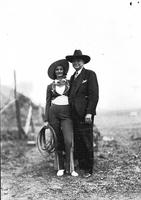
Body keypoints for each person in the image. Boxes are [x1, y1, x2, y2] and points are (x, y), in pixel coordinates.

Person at [66, 50, 99, 178]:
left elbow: (94, 95)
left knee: (86, 140)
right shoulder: (72, 77)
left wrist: (89, 112)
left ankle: (88, 169)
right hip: (73, 114)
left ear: (83, 62)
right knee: (78, 141)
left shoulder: (90, 75)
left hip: (85, 114)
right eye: (74, 61)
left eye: (79, 60)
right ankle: (81, 164)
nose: (76, 63)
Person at [44, 59, 78, 177]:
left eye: (61, 69)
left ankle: (71, 168)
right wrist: (46, 119)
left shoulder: (69, 83)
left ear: (64, 71)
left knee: (68, 141)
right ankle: (60, 167)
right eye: (57, 69)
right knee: (57, 140)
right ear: (55, 72)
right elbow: (47, 102)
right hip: (54, 113)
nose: (59, 71)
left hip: (67, 114)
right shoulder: (50, 86)